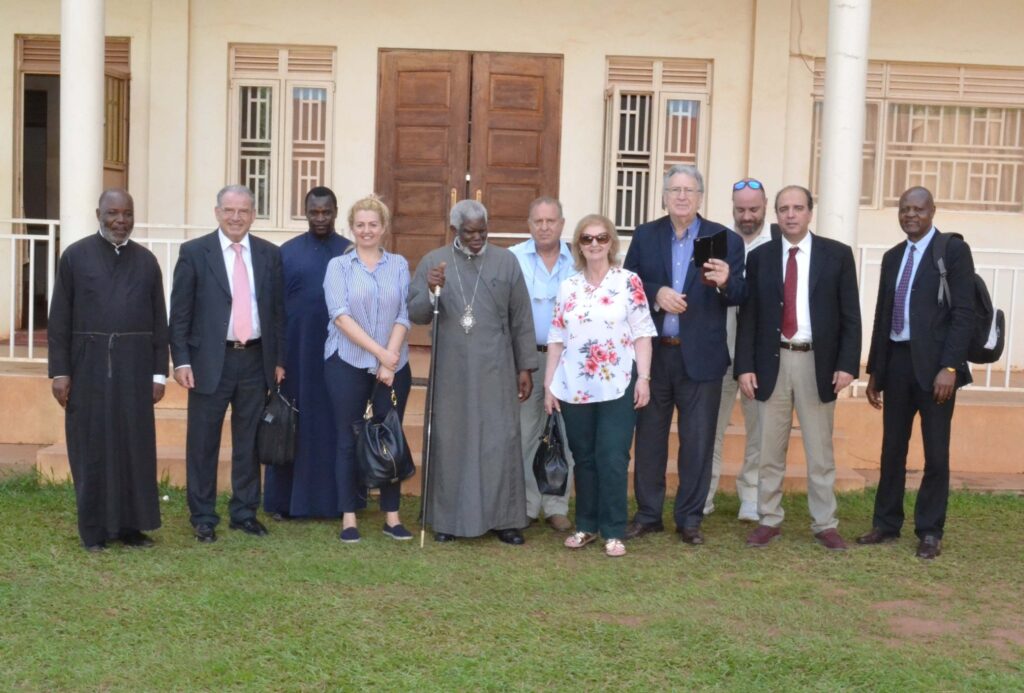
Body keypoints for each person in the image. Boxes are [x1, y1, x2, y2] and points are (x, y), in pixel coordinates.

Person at [623, 164, 746, 545]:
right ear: (663, 195)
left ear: (700, 197)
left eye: (688, 190)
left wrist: (727, 283)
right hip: (654, 357)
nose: (681, 196)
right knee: (649, 441)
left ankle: (690, 518)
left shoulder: (723, 237)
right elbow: (627, 285)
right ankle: (648, 515)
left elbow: (742, 294)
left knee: (697, 442)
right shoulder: (646, 235)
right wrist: (656, 293)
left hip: (702, 359)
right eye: (674, 189)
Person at [736, 185, 861, 551]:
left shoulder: (836, 255)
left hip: (817, 363)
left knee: (820, 451)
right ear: (776, 214)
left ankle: (825, 522)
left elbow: (850, 316)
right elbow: (750, 318)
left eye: (798, 208)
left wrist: (847, 365)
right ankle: (769, 519)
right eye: (784, 208)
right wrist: (745, 366)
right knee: (769, 449)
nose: (791, 214)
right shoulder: (760, 258)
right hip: (771, 361)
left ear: (810, 212)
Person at [408, 199, 537, 544]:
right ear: (455, 231)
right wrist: (433, 289)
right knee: (451, 441)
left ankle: (504, 519)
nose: (478, 237)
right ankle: (447, 520)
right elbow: (417, 313)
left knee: (499, 440)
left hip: (496, 366)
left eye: (483, 230)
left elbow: (521, 316)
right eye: (470, 232)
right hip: (451, 370)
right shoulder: (433, 262)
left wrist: (525, 365)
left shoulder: (506, 261)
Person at [47, 189, 169, 551]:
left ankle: (132, 527)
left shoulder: (146, 262)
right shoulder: (75, 257)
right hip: (88, 366)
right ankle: (95, 530)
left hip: (135, 367)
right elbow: (59, 320)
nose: (120, 220)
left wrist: (158, 373)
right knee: (93, 446)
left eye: (127, 213)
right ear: (97, 213)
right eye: (113, 213)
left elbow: (159, 322)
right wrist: (60, 372)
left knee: (135, 445)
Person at [858, 187, 975, 560]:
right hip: (897, 364)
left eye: (918, 209)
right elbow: (881, 316)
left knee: (936, 453)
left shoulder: (952, 251)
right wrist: (875, 370)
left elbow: (963, 314)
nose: (911, 215)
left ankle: (929, 530)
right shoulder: (893, 257)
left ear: (932, 211)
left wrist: (950, 367)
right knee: (892, 448)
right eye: (905, 208)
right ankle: (886, 523)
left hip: (937, 369)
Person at [169, 185, 285, 543]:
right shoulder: (194, 253)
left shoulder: (269, 255)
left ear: (253, 214)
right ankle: (203, 515)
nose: (236, 217)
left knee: (248, 441)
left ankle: (245, 512)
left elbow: (278, 314)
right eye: (229, 210)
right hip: (208, 362)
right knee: (203, 442)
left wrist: (279, 360)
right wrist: (182, 360)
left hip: (254, 358)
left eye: (244, 211)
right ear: (217, 212)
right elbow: (180, 315)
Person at [545, 215, 656, 557]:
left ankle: (613, 530)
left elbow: (642, 333)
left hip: (618, 383)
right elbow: (556, 337)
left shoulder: (629, 281)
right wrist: (549, 385)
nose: (594, 244)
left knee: (612, 455)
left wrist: (644, 378)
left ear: (611, 242)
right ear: (578, 245)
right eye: (587, 239)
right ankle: (586, 526)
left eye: (602, 238)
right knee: (584, 457)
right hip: (575, 384)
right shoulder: (569, 286)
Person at [323, 195, 413, 543]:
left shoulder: (399, 265)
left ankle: (391, 516)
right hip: (347, 362)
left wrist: (390, 358)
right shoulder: (339, 267)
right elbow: (340, 316)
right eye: (360, 224)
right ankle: (349, 517)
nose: (366, 230)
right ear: (351, 227)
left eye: (372, 224)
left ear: (384, 228)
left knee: (390, 436)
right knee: (348, 439)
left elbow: (404, 313)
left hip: (394, 366)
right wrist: (380, 355)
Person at [263, 187, 351, 520]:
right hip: (295, 357)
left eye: (326, 212)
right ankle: (285, 503)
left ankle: (335, 503)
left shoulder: (349, 252)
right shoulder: (286, 253)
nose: (320, 218)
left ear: (336, 211)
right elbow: (276, 311)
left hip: (339, 356)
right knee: (291, 426)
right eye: (314, 212)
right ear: (305, 212)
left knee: (333, 426)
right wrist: (278, 359)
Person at [705, 179, 775, 521]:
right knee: (708, 429)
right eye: (740, 209)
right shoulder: (717, 241)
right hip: (718, 350)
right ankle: (703, 496)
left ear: (765, 206)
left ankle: (752, 496)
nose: (747, 216)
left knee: (759, 431)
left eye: (754, 209)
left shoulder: (777, 244)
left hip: (759, 356)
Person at [509, 197, 576, 532]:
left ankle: (557, 505)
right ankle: (527, 504)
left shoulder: (577, 259)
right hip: (528, 359)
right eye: (539, 221)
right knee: (527, 432)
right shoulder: (513, 259)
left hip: (569, 359)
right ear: (529, 224)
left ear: (562, 224)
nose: (545, 227)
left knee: (564, 433)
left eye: (551, 221)